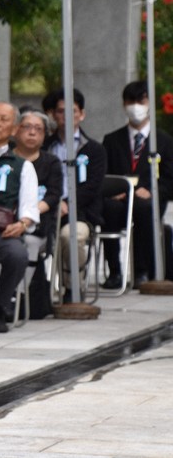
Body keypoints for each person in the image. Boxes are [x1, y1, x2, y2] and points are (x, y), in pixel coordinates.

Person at [0, 101, 39, 333]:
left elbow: (29, 205)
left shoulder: (22, 166)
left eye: (4, 119)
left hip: (1, 233)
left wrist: (22, 223)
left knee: (17, 254)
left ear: (14, 129)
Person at [102, 80, 173, 287]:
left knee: (145, 210)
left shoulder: (164, 141)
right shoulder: (112, 140)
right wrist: (115, 191)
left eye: (141, 100)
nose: (136, 106)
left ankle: (141, 270)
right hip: (120, 199)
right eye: (130, 101)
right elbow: (105, 174)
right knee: (108, 210)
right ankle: (114, 271)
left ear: (149, 102)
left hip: (148, 200)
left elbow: (169, 178)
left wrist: (151, 190)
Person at [42, 88, 106, 296]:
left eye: (72, 111)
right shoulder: (44, 147)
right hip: (45, 210)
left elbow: (92, 186)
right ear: (53, 114)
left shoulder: (94, 149)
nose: (66, 116)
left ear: (82, 114)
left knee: (70, 236)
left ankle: (72, 287)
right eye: (60, 111)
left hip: (80, 214)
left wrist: (68, 203)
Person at [13, 109, 62, 312]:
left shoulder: (51, 162)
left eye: (38, 129)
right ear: (16, 130)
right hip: (5, 221)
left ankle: (18, 296)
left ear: (45, 135)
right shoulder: (7, 159)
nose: (32, 133)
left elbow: (52, 196)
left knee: (30, 241)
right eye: (27, 127)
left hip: (38, 225)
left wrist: (27, 216)